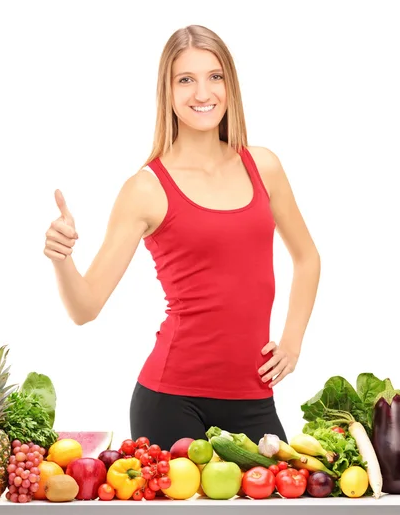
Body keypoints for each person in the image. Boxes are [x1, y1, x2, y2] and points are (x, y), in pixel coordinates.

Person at [44, 25, 321, 450]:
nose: (202, 92)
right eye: (185, 80)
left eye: (214, 76)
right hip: (170, 401)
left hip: (253, 399)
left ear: (230, 84)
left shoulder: (264, 167)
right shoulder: (145, 188)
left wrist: (292, 343)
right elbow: (85, 308)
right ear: (168, 92)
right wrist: (62, 259)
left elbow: (307, 258)